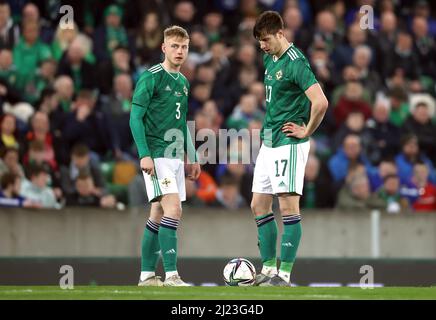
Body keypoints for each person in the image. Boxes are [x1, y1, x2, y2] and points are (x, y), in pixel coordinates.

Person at [250, 11, 328, 286]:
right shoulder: (269, 58)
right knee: (259, 204)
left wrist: (307, 130)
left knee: (287, 205)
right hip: (268, 141)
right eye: (260, 40)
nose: (262, 45)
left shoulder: (296, 63)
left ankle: (284, 275)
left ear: (281, 34)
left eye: (266, 39)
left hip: (289, 143)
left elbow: (320, 102)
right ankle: (269, 269)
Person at [129, 26, 200, 287]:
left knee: (158, 213)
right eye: (174, 46)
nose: (179, 51)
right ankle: (171, 276)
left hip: (174, 158)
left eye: (183, 47)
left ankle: (147, 276)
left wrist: (192, 156)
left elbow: (181, 124)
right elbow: (135, 117)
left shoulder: (183, 83)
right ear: (164, 48)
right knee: (174, 208)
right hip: (157, 156)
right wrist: (144, 155)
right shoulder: (151, 77)